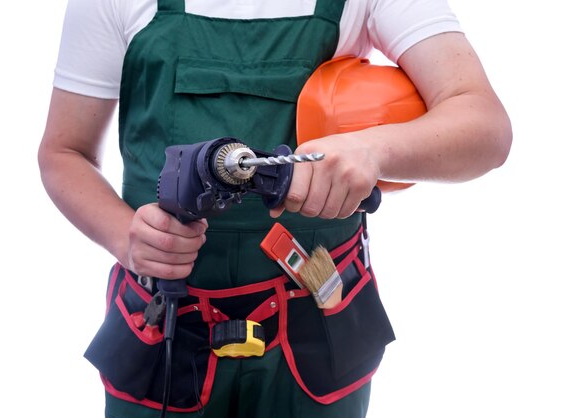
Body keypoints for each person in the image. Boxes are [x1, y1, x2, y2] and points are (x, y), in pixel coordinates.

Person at [38, 0, 512, 417]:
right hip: (163, 332)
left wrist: (374, 149)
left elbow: (485, 127)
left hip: (316, 336)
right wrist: (128, 238)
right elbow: (63, 153)